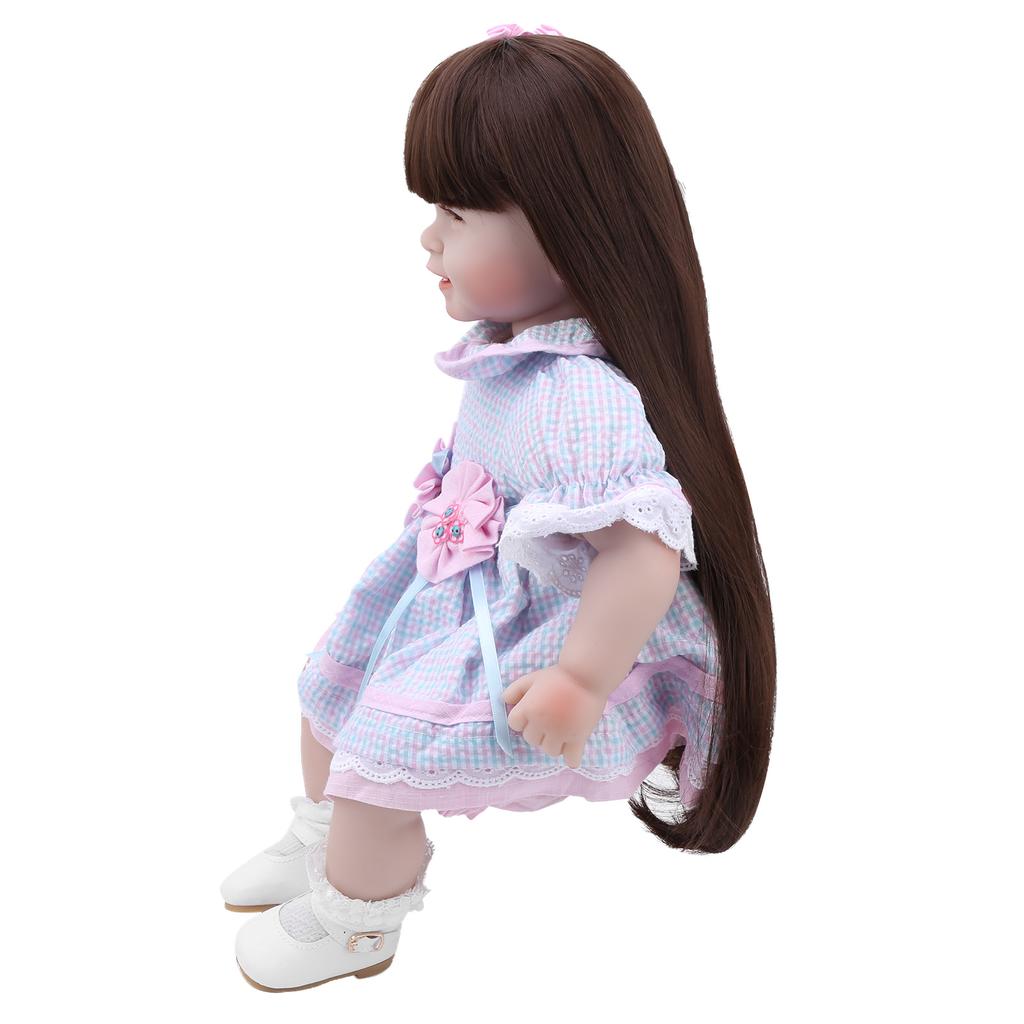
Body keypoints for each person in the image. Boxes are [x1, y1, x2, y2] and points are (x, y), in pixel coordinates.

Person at [222, 23, 776, 992]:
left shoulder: (580, 396)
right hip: (451, 589)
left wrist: (580, 679)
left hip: (538, 626)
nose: (429, 237)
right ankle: (325, 837)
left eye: (456, 211)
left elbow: (641, 551)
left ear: (568, 228)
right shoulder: (515, 353)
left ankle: (358, 914)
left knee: (385, 757)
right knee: (330, 693)